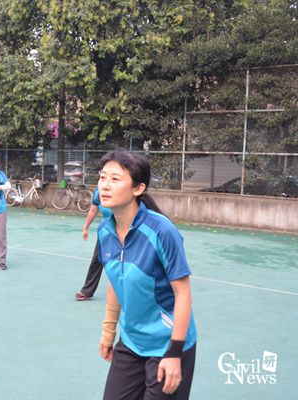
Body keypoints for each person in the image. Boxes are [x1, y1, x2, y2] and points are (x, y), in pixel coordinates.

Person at [96, 150, 197, 400]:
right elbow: (115, 281)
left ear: (138, 188)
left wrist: (174, 353)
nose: (105, 185)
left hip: (167, 343)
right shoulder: (105, 231)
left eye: (115, 179)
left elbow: (183, 294)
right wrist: (108, 332)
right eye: (102, 177)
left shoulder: (162, 231)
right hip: (131, 341)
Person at [74, 187, 112, 301]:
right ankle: (87, 291)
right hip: (105, 231)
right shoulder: (98, 192)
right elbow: (93, 210)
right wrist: (85, 227)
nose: (104, 180)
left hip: (124, 231)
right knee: (97, 260)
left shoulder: (123, 191)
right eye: (102, 178)